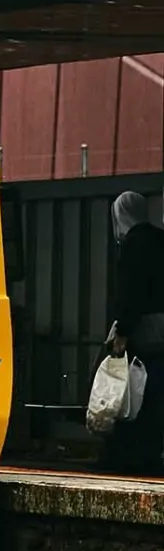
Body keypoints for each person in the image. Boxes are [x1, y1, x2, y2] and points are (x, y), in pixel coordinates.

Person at [102, 192, 164, 475]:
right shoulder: (159, 239)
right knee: (156, 392)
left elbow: (130, 292)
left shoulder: (132, 244)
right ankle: (152, 453)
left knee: (130, 391)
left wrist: (122, 331)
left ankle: (126, 456)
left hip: (143, 330)